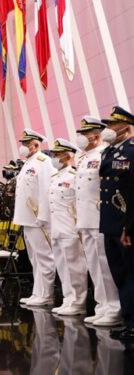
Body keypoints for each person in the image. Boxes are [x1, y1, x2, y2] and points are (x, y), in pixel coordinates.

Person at [75, 116, 121, 326]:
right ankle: (102, 305)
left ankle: (114, 307)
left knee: (105, 264)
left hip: (99, 216)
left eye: (86, 134)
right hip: (85, 218)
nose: (83, 138)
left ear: (96, 135)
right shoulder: (83, 158)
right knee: (94, 265)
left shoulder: (104, 154)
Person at [101, 106, 134, 340]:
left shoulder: (132, 151)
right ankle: (127, 318)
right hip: (110, 222)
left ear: (126, 127)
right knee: (119, 273)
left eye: (113, 125)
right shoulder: (109, 152)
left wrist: (128, 227)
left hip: (125, 224)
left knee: (131, 274)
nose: (109, 129)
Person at [14, 129, 56, 306]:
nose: (23, 147)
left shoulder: (43, 161)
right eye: (22, 144)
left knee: (44, 257)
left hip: (38, 217)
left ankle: (46, 294)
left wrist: (43, 215)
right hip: (26, 218)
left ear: (36, 145)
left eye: (26, 144)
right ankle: (37, 292)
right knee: (34, 258)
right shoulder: (28, 163)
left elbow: (47, 189)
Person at [48, 139, 88, 316]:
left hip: (71, 228)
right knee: (62, 266)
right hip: (56, 228)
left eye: (57, 155)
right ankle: (68, 299)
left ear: (67, 156)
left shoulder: (74, 176)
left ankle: (79, 302)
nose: (54, 158)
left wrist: (79, 227)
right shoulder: (55, 177)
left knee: (75, 266)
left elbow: (80, 203)